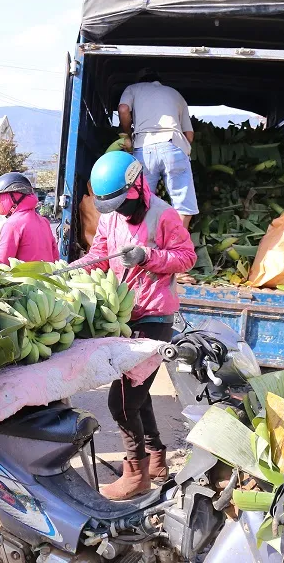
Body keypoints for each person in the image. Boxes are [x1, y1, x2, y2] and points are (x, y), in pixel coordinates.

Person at [72, 150, 196, 501]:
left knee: (122, 402)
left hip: (155, 320)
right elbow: (99, 254)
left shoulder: (163, 215)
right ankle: (156, 461)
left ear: (138, 184)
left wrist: (148, 256)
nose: (121, 214)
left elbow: (187, 256)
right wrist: (66, 271)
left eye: (123, 205)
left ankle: (136, 474)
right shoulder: (111, 219)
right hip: (127, 317)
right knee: (138, 397)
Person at [118, 71, 197, 228]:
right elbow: (189, 135)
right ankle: (178, 247)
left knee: (142, 202)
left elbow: (123, 109)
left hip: (144, 146)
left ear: (141, 81)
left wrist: (127, 132)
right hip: (174, 143)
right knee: (183, 205)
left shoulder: (133, 88)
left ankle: (146, 245)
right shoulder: (176, 94)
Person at [0, 172, 58, 265]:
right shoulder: (44, 221)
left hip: (25, 278)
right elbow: (55, 256)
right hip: (48, 277)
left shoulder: (12, 225)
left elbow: (2, 262)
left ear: (13, 197)